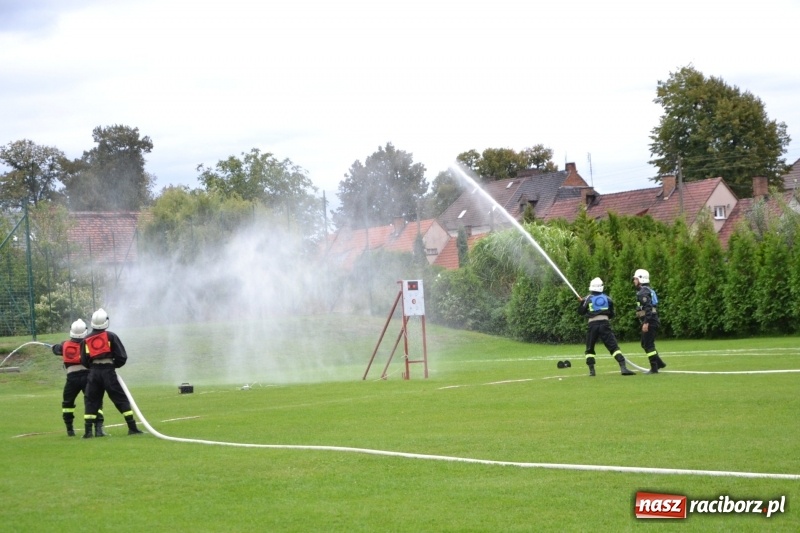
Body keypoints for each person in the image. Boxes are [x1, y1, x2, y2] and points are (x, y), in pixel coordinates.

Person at [79, 308, 143, 438]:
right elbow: (121, 356)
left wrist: (93, 367)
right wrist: (113, 365)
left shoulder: (85, 340)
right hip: (108, 371)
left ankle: (88, 432)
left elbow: (84, 360)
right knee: (120, 398)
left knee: (91, 400)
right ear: (106, 322)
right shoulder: (111, 336)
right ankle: (132, 428)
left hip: (93, 373)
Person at [51, 319, 105, 436]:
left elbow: (56, 349)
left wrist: (54, 347)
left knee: (68, 404)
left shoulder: (64, 345)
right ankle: (99, 429)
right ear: (85, 331)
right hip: (88, 377)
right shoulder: (89, 343)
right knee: (94, 401)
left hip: (72, 379)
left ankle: (70, 430)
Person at [578, 277, 635, 376]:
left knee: (589, 348)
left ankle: (592, 371)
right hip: (605, 324)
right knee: (613, 346)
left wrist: (581, 303)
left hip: (592, 325)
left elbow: (581, 312)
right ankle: (623, 368)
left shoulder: (588, 298)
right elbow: (612, 314)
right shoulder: (608, 299)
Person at [632, 269, 667, 374]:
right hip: (652, 320)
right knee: (644, 343)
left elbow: (648, 307)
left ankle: (654, 368)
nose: (634, 281)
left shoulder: (643, 292)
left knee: (648, 344)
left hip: (650, 321)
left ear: (641, 279)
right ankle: (659, 363)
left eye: (635, 278)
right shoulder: (648, 290)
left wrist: (646, 322)